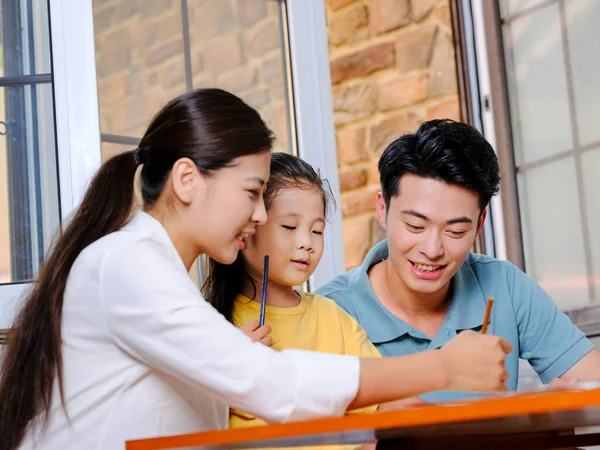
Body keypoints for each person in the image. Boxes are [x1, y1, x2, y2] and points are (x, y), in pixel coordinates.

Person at [0, 92, 511, 450]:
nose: (260, 215)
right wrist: (442, 367)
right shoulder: (126, 263)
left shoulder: (153, 271)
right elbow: (275, 385)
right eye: (251, 192)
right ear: (186, 180)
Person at [317, 119, 600, 403]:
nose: (432, 249)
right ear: (383, 209)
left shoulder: (505, 286)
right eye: (415, 226)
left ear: (479, 225)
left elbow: (592, 382)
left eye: (456, 231)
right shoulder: (327, 312)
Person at [204, 152, 379, 450]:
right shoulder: (212, 325)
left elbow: (377, 408)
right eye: (289, 227)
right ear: (246, 230)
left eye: (317, 230)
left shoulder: (332, 317)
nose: (307, 243)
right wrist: (230, 369)